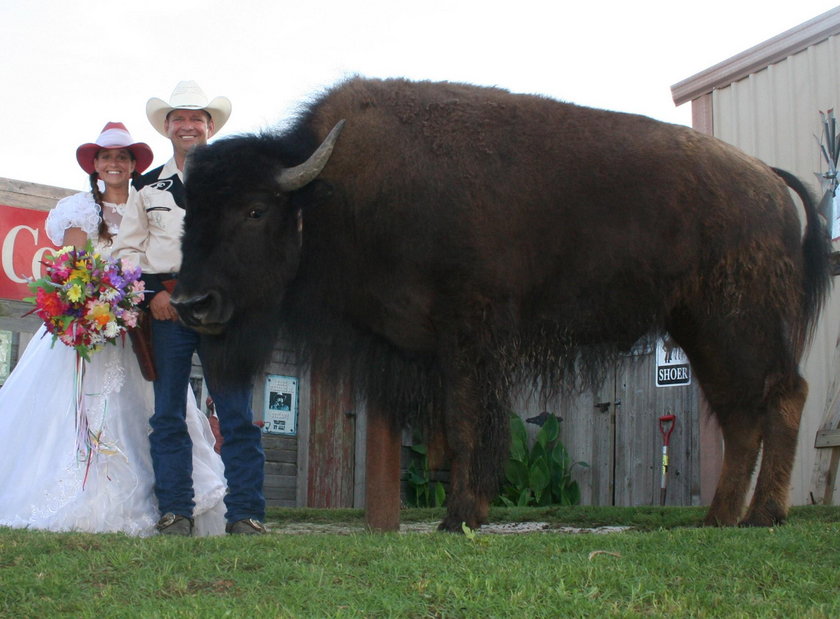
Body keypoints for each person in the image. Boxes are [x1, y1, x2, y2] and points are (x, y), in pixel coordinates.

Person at [0, 122, 227, 536]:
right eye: (106, 157)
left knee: (159, 410)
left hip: (140, 328)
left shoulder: (152, 199)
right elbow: (71, 270)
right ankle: (75, 491)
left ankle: (171, 502)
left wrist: (134, 300)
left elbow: (153, 258)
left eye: (122, 157)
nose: (114, 163)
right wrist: (92, 304)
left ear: (133, 163)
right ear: (96, 165)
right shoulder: (81, 210)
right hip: (89, 331)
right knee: (78, 410)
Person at [113, 82, 267, 536]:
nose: (187, 125)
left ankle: (247, 514)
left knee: (237, 413)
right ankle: (175, 511)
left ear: (210, 127)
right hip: (169, 310)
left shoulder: (239, 185)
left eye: (196, 118)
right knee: (167, 416)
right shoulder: (146, 187)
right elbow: (127, 249)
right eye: (178, 118)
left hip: (224, 312)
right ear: (167, 127)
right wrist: (152, 293)